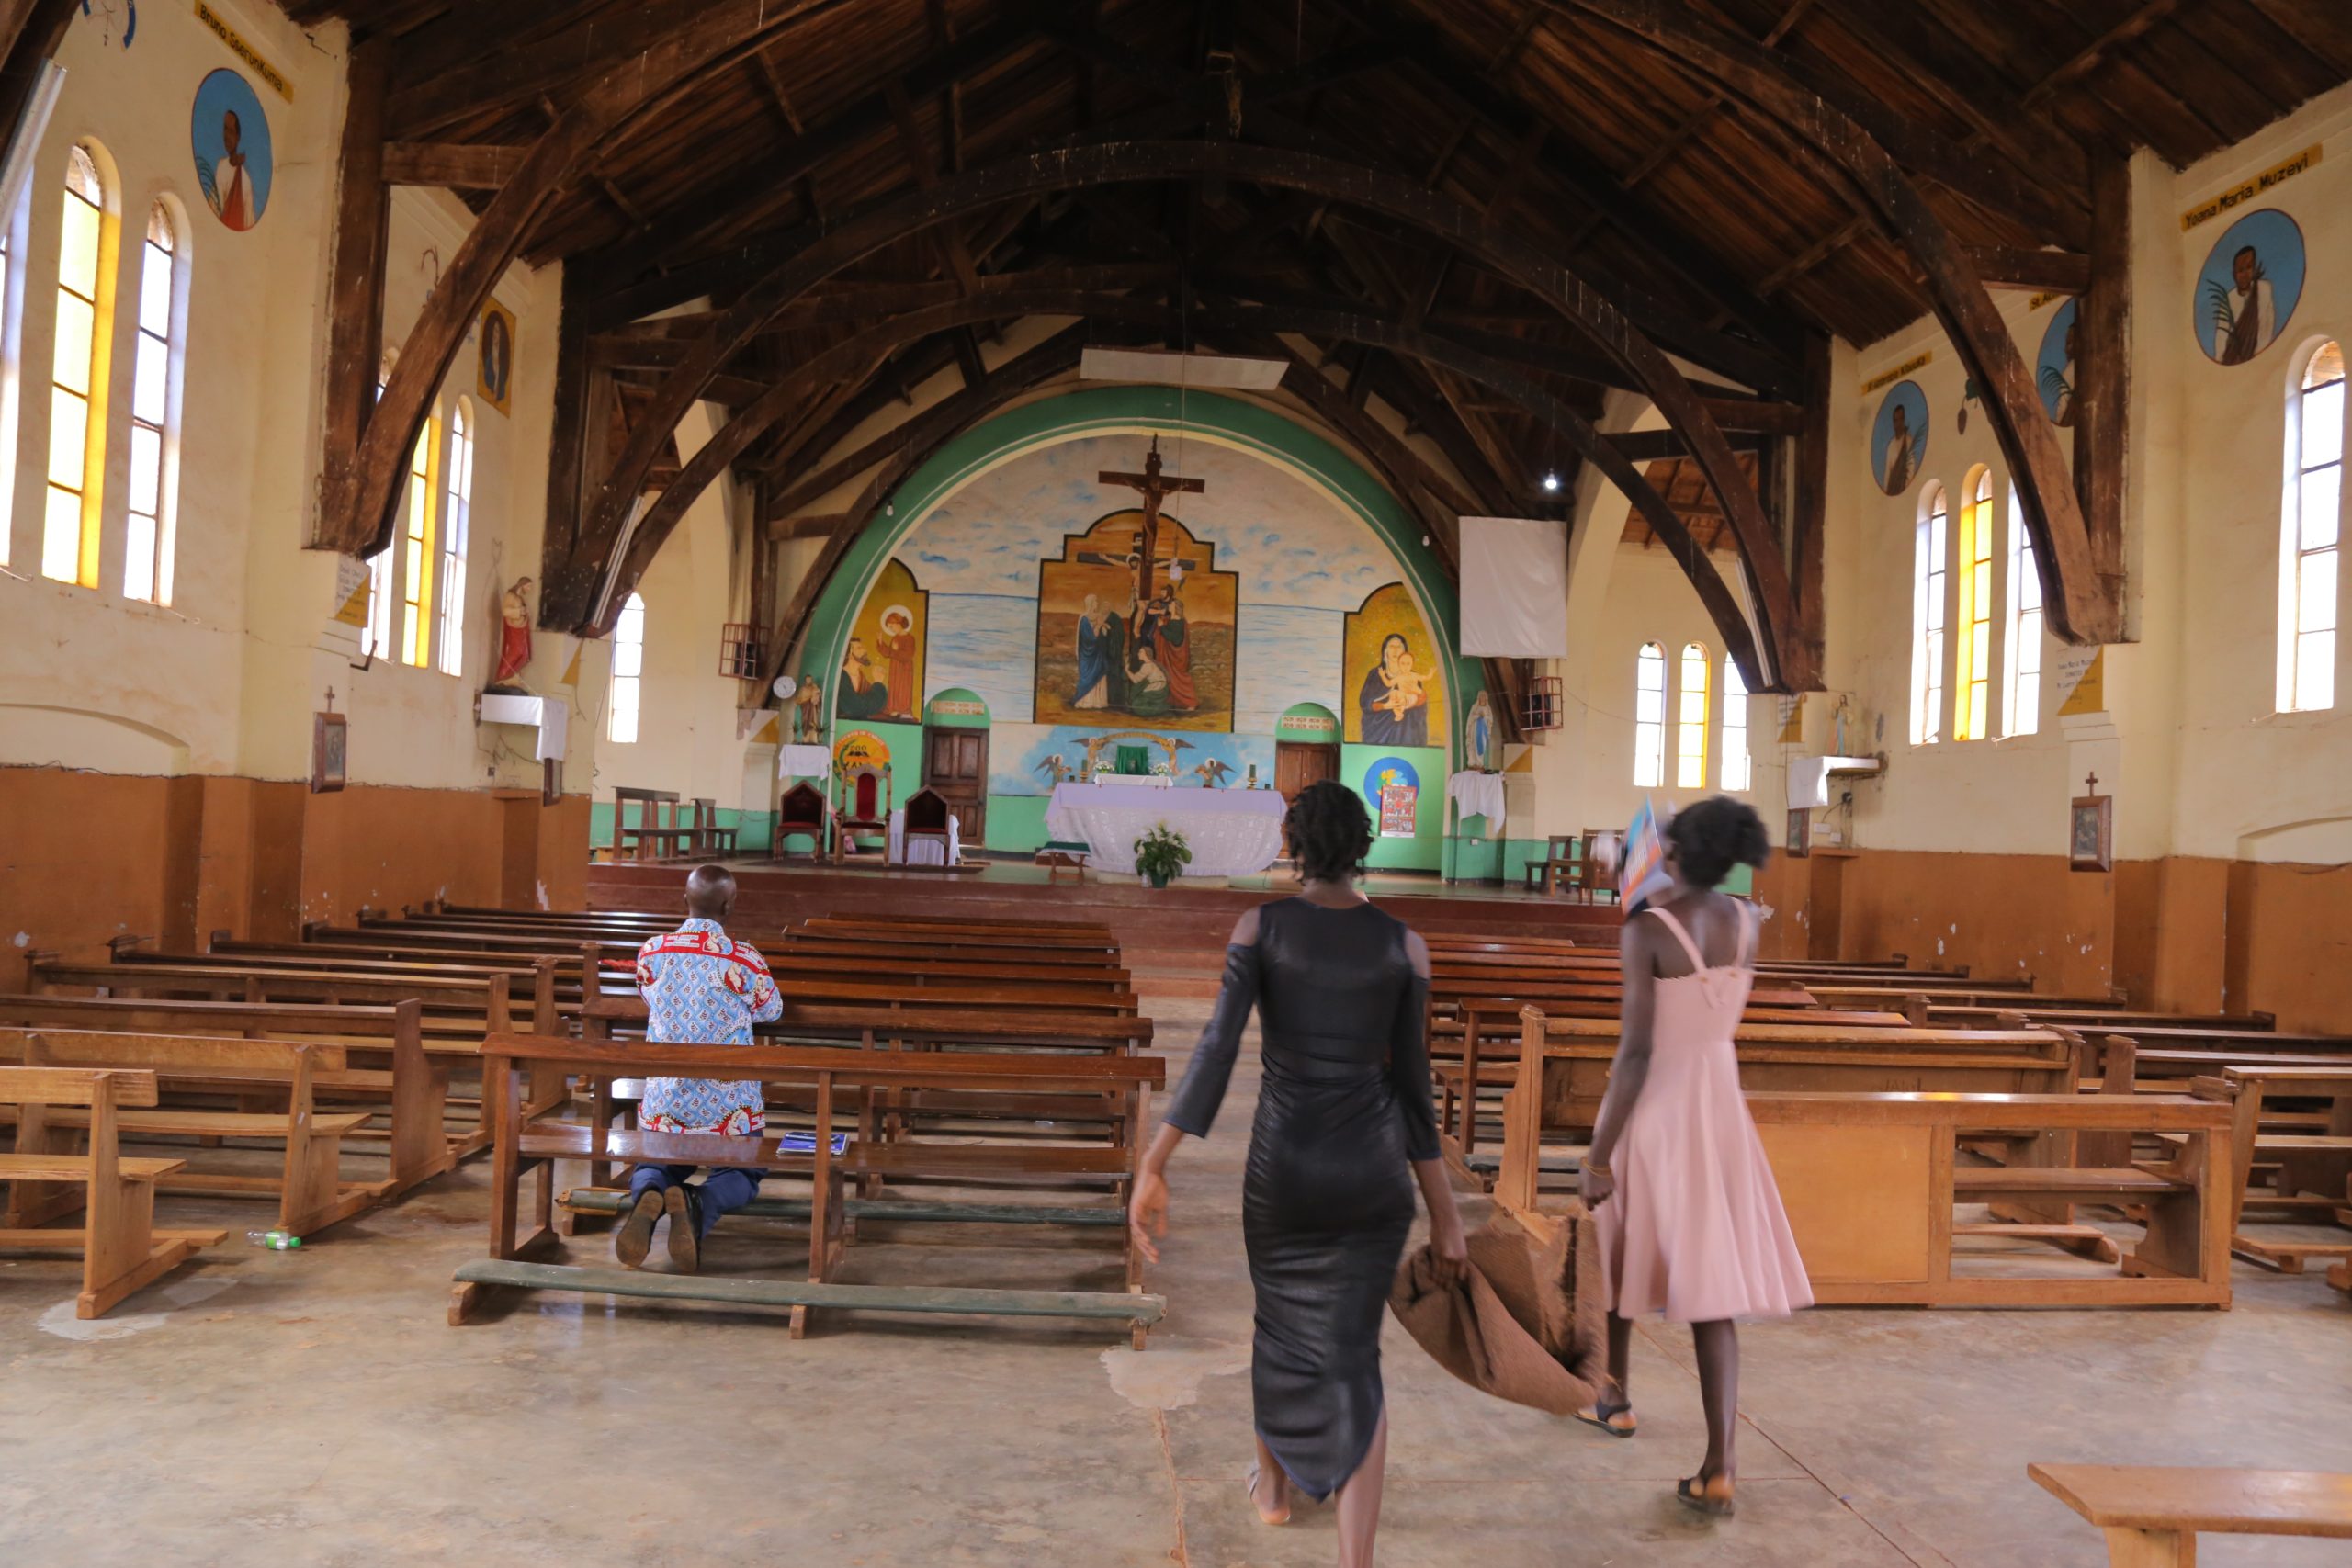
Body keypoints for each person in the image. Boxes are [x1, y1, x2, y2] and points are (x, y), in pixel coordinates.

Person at [1129, 781, 1468, 1568]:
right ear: (1363, 848)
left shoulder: (1262, 927)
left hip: (1285, 1171)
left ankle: (1274, 1492)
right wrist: (1447, 1215)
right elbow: (1416, 1096)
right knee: (1354, 1358)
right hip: (1372, 1176)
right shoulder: (1405, 946)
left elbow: (1217, 1050)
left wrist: (1155, 1160)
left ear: (1293, 846)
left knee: (1278, 1328)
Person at [1572, 796, 1811, 1518]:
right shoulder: (1747, 921)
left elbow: (1636, 1051)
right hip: (1718, 1109)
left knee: (1617, 1247)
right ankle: (1720, 1465)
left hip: (1657, 1111)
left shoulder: (1647, 929)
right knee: (1712, 1291)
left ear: (1672, 851)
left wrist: (1599, 1154)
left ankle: (1612, 1393)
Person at [614, 865, 784, 1275]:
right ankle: (699, 1204)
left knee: (657, 1164)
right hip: (729, 1105)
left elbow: (649, 997)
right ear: (729, 905)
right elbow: (771, 1011)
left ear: (684, 899)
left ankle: (650, 1192)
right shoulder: (743, 958)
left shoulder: (652, 951)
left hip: (666, 1098)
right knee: (744, 1170)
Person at [1357, 633, 1429, 746]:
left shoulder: (1412, 676)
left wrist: (1409, 702)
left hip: (1406, 731)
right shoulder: (1376, 674)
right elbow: (1365, 703)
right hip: (1380, 730)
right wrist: (1386, 706)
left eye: (1399, 647)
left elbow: (1421, 703)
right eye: (1391, 646)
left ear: (1404, 652)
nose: (1395, 650)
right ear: (1385, 651)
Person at [2217, 243, 2276, 365]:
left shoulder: (2264, 289)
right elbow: (2221, 334)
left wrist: (2258, 357)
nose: (2244, 275)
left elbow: (2266, 326)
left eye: (2249, 267)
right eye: (2240, 270)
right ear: (2234, 274)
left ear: (2254, 268)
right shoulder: (2228, 300)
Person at [209, 107, 256, 231]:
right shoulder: (221, 166)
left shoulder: (245, 181)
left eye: (230, 131)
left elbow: (248, 223)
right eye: (225, 129)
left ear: (238, 137)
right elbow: (213, 207)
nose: (226, 136)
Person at [1881, 400, 1917, 494]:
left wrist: (1905, 489)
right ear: (1893, 423)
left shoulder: (1908, 441)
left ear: (1904, 420)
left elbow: (1911, 468)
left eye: (1901, 419)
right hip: (1893, 490)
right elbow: (1887, 474)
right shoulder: (1891, 446)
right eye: (1896, 420)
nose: (1898, 423)